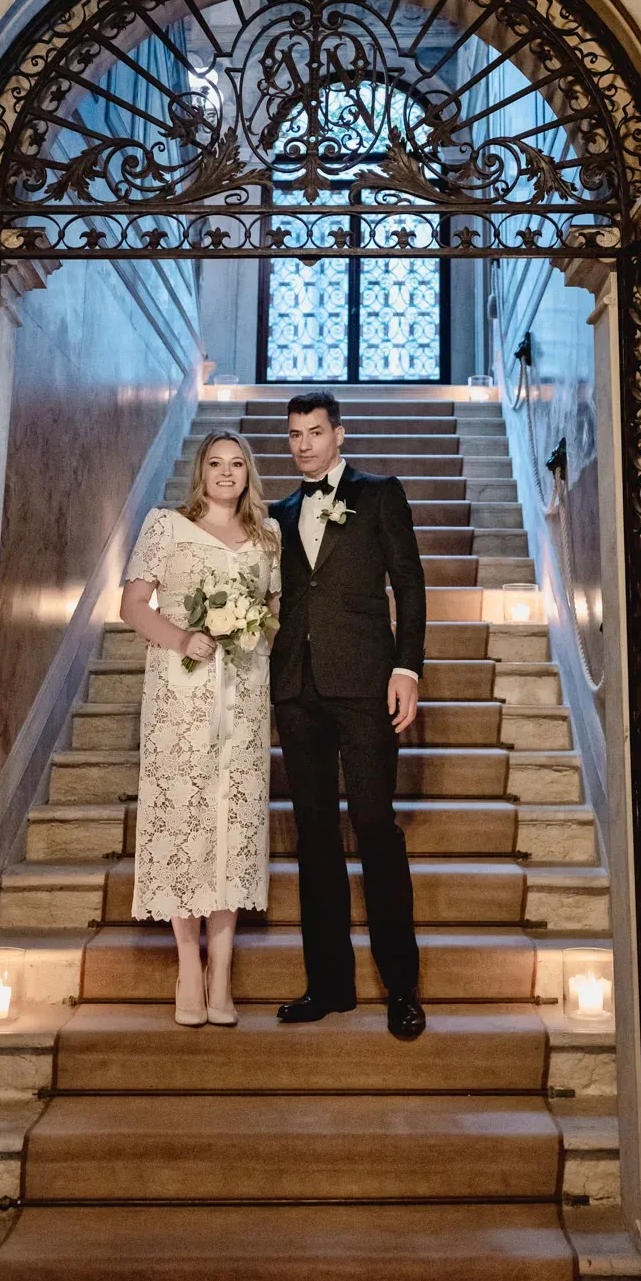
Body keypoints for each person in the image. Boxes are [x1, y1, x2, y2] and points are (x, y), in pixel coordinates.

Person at [269, 390, 428, 1042]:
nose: (304, 443)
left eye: (315, 431)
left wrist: (407, 668)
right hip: (297, 691)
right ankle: (330, 984)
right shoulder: (276, 513)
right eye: (294, 435)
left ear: (340, 435)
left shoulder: (380, 494)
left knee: (373, 826)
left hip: (366, 685)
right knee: (314, 837)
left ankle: (401, 987)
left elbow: (410, 584)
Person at [119, 433, 279, 1027]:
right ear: (200, 471)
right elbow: (133, 606)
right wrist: (183, 636)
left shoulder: (269, 538)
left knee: (234, 823)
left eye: (238, 465)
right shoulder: (164, 527)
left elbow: (274, 611)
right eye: (216, 463)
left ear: (249, 474)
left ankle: (223, 972)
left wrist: (251, 627)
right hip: (179, 693)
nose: (226, 473)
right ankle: (188, 963)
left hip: (243, 696)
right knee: (184, 815)